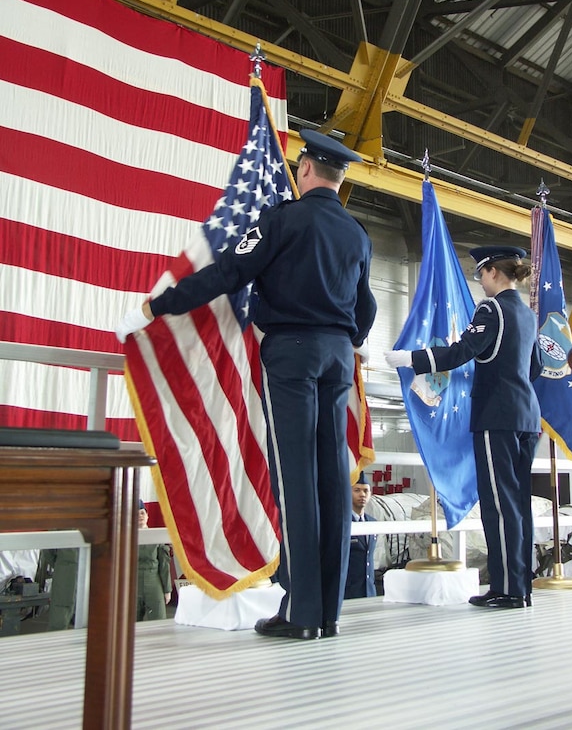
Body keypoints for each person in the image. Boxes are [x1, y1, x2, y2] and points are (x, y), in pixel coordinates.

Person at [116, 129, 377, 639]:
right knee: (331, 481)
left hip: (293, 357)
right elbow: (365, 308)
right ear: (338, 177)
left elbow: (228, 272)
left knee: (296, 479)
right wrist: (344, 339)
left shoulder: (283, 220)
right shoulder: (357, 234)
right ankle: (328, 612)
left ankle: (301, 613)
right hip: (338, 358)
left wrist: (156, 306)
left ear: (305, 170)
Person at [385, 246, 542, 610]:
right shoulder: (528, 315)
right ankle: (521, 585)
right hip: (526, 416)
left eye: (480, 274)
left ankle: (506, 589)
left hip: (497, 417)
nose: (480, 282)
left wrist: (413, 359)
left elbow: (461, 351)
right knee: (517, 504)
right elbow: (532, 368)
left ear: (492, 272)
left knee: (499, 505)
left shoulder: (492, 309)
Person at [136, 500, 172, 621]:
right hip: (132, 582)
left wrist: (167, 590)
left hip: (153, 581)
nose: (140, 517)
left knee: (159, 619)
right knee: (128, 623)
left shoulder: (156, 536)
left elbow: (164, 565)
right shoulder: (125, 538)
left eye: (142, 513)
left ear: (147, 515)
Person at [344, 471, 377, 599]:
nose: (362, 494)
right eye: (357, 490)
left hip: (369, 591)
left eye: (366, 491)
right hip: (347, 593)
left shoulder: (373, 523)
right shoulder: (343, 523)